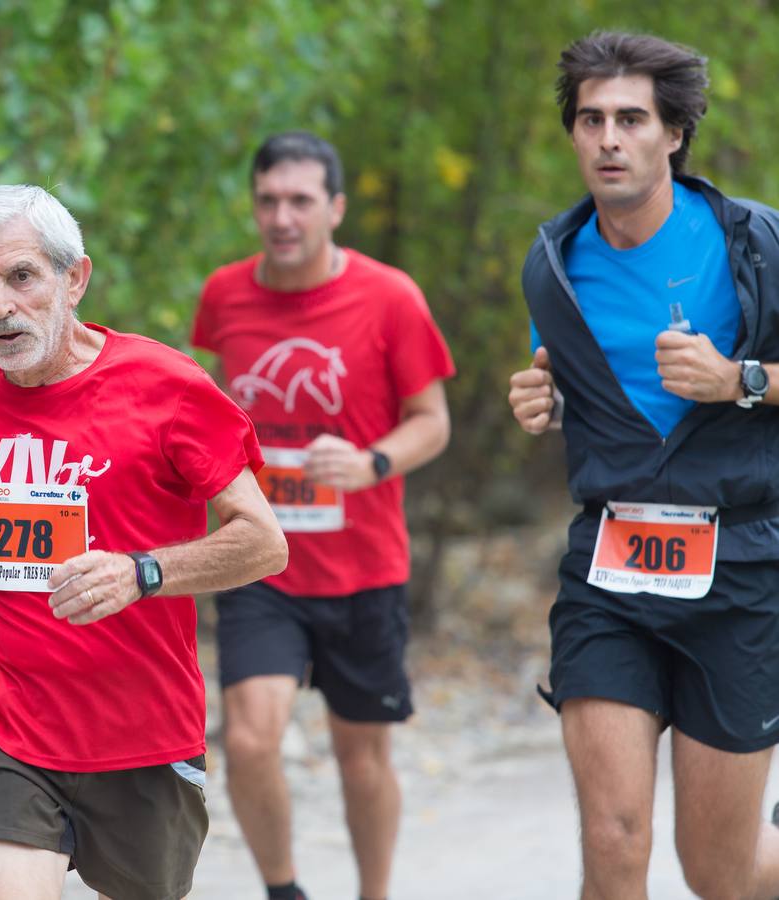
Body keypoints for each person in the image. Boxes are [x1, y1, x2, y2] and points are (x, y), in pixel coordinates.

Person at [0, 184, 288, 900]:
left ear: (75, 278)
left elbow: (264, 543)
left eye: (22, 277)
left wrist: (142, 572)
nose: (0, 305)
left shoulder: (167, 389)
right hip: (1, 719)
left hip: (140, 731)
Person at [508, 31, 779, 899]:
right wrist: (541, 403)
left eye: (631, 118)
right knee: (614, 841)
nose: (609, 139)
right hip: (611, 574)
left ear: (673, 133)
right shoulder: (553, 265)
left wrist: (741, 379)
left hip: (740, 574)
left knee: (721, 874)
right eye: (591, 120)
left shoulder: (757, 243)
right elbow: (572, 385)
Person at [191, 132, 455, 900]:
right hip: (257, 560)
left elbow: (432, 420)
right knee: (246, 740)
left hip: (363, 566)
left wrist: (372, 461)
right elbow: (204, 402)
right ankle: (284, 890)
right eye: (268, 200)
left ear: (335, 208)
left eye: (300, 200)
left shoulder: (390, 297)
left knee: (360, 757)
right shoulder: (225, 294)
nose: (282, 216)